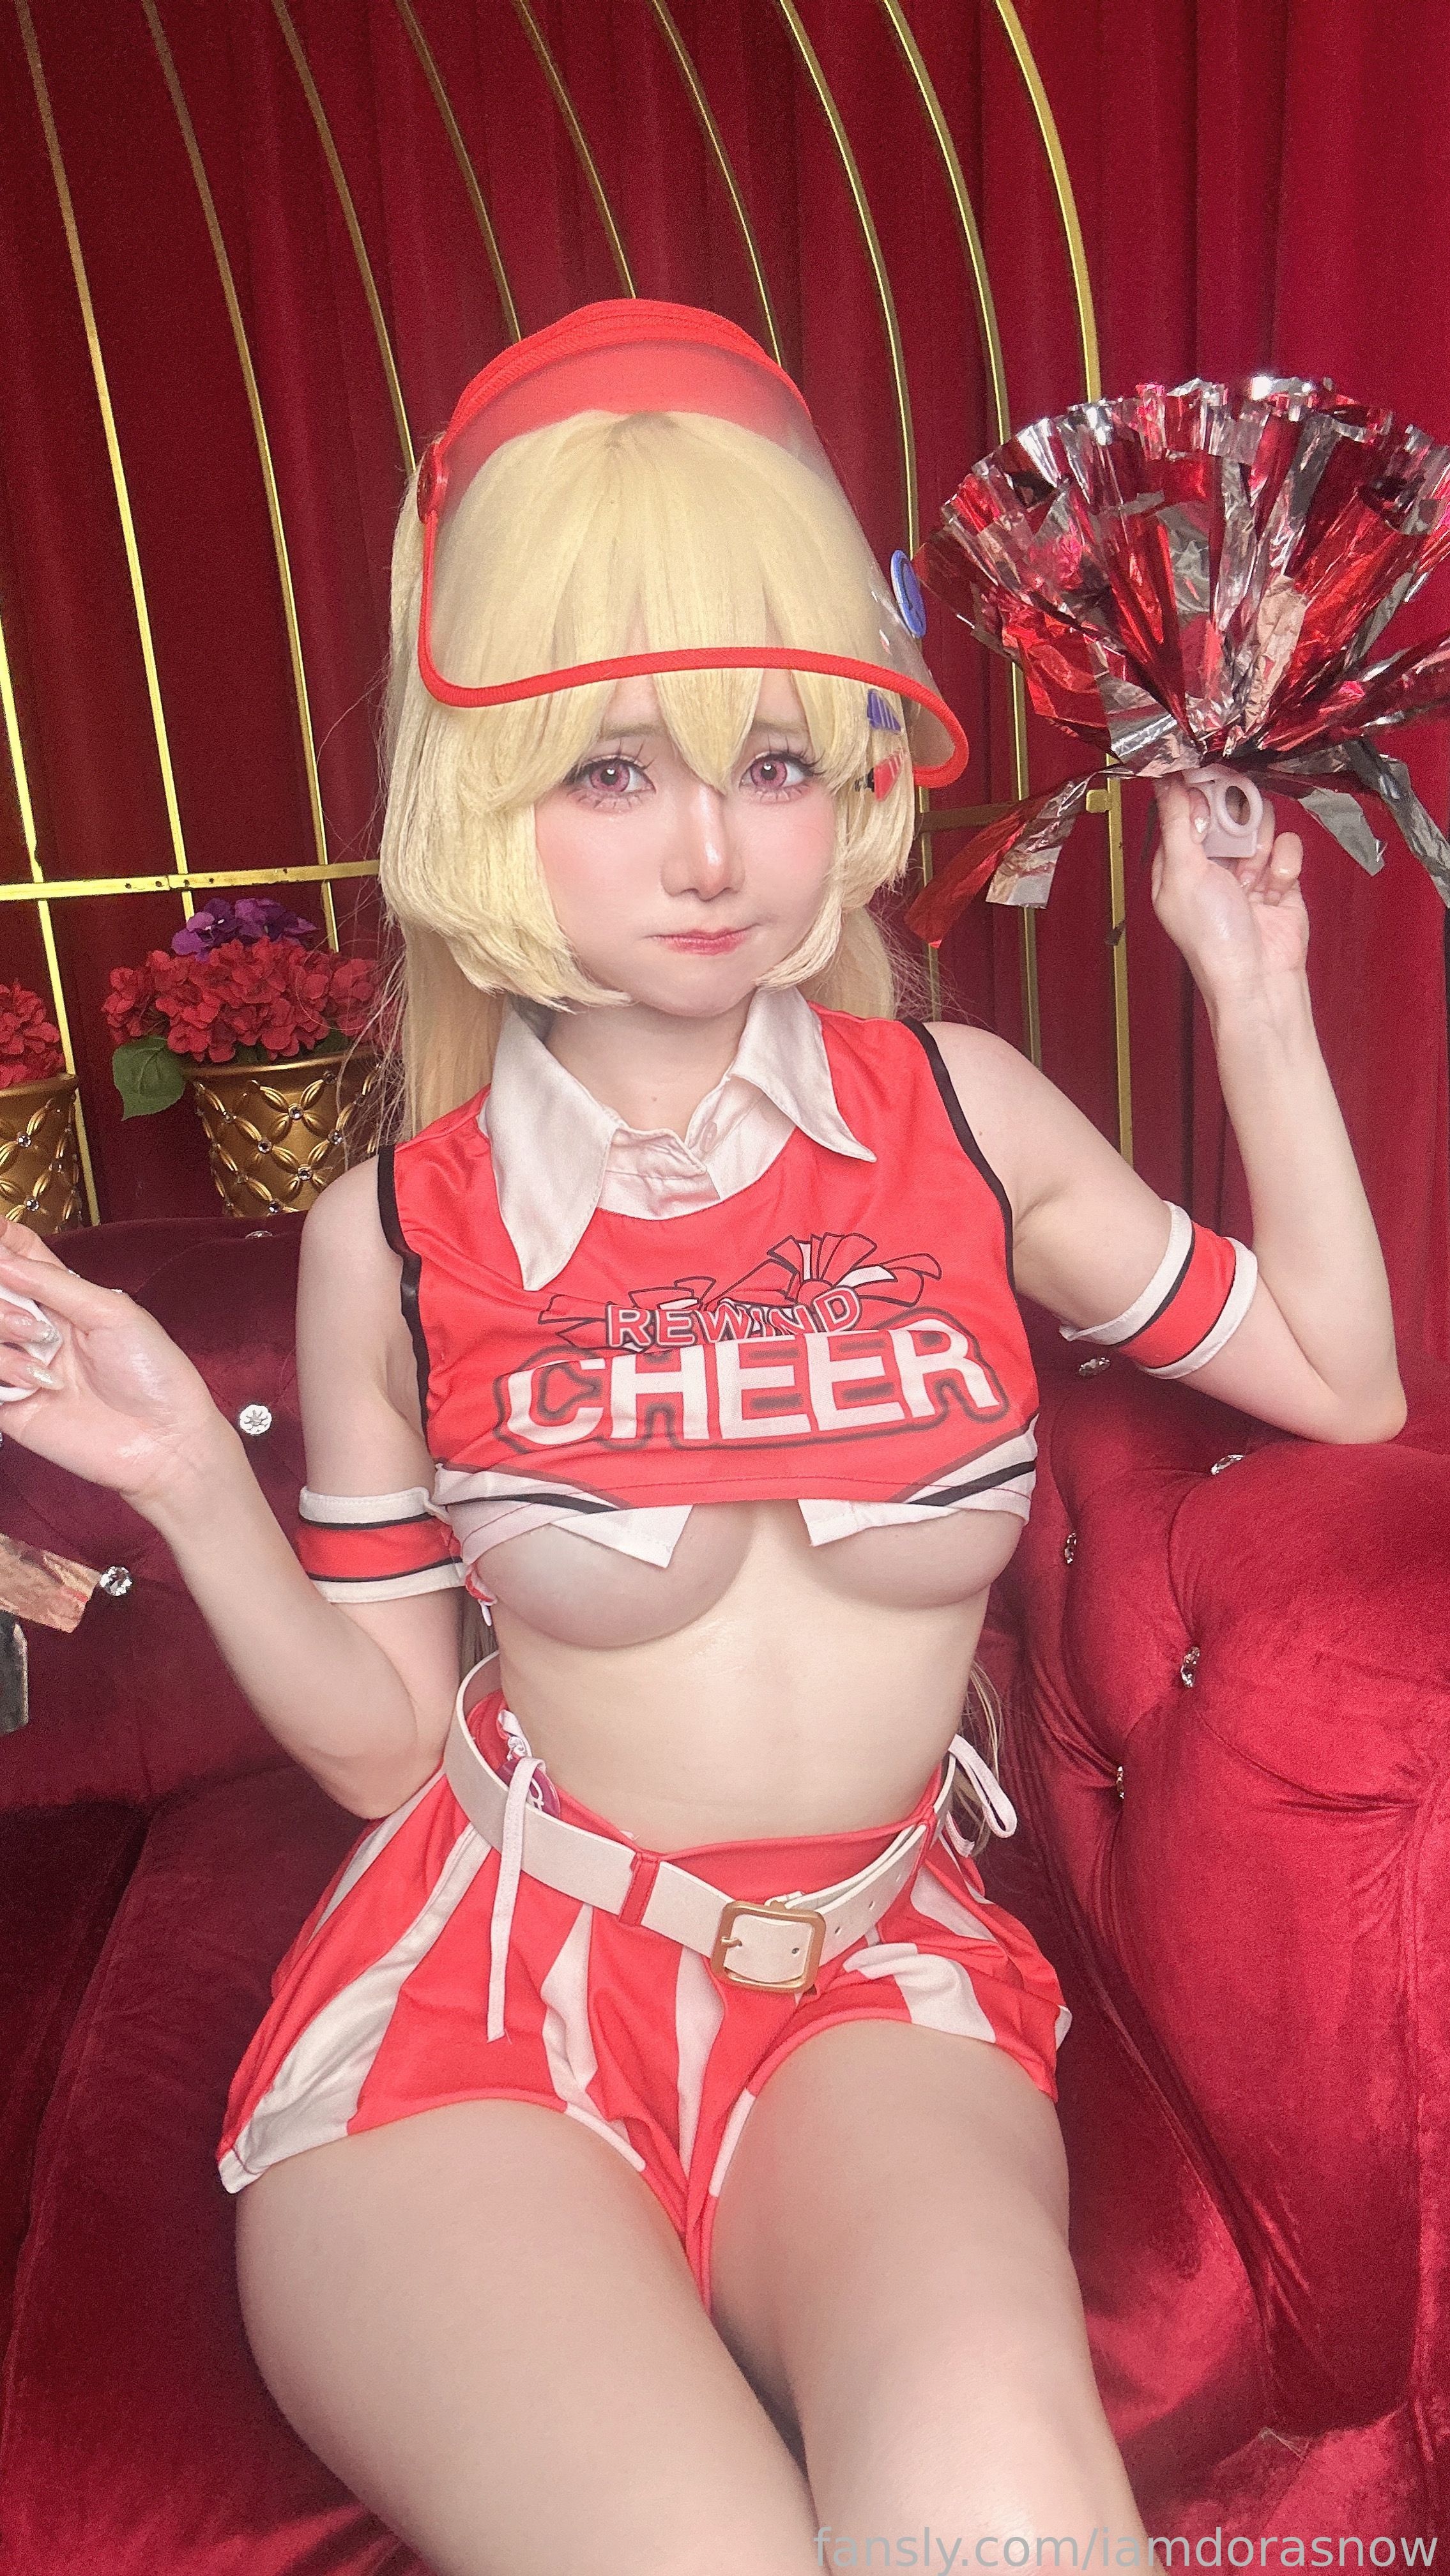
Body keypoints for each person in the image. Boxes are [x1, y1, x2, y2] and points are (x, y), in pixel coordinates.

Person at [0, 303, 1406, 2576]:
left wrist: (1254, 994)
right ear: (491, 801)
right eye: (610, 771)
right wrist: (177, 1469)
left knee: (1004, 2517)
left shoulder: (969, 1121)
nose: (710, 851)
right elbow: (387, 1746)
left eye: (769, 760)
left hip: (874, 1976)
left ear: (850, 776)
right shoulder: (399, 1235)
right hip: (482, 1996)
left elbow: (1342, 1383)